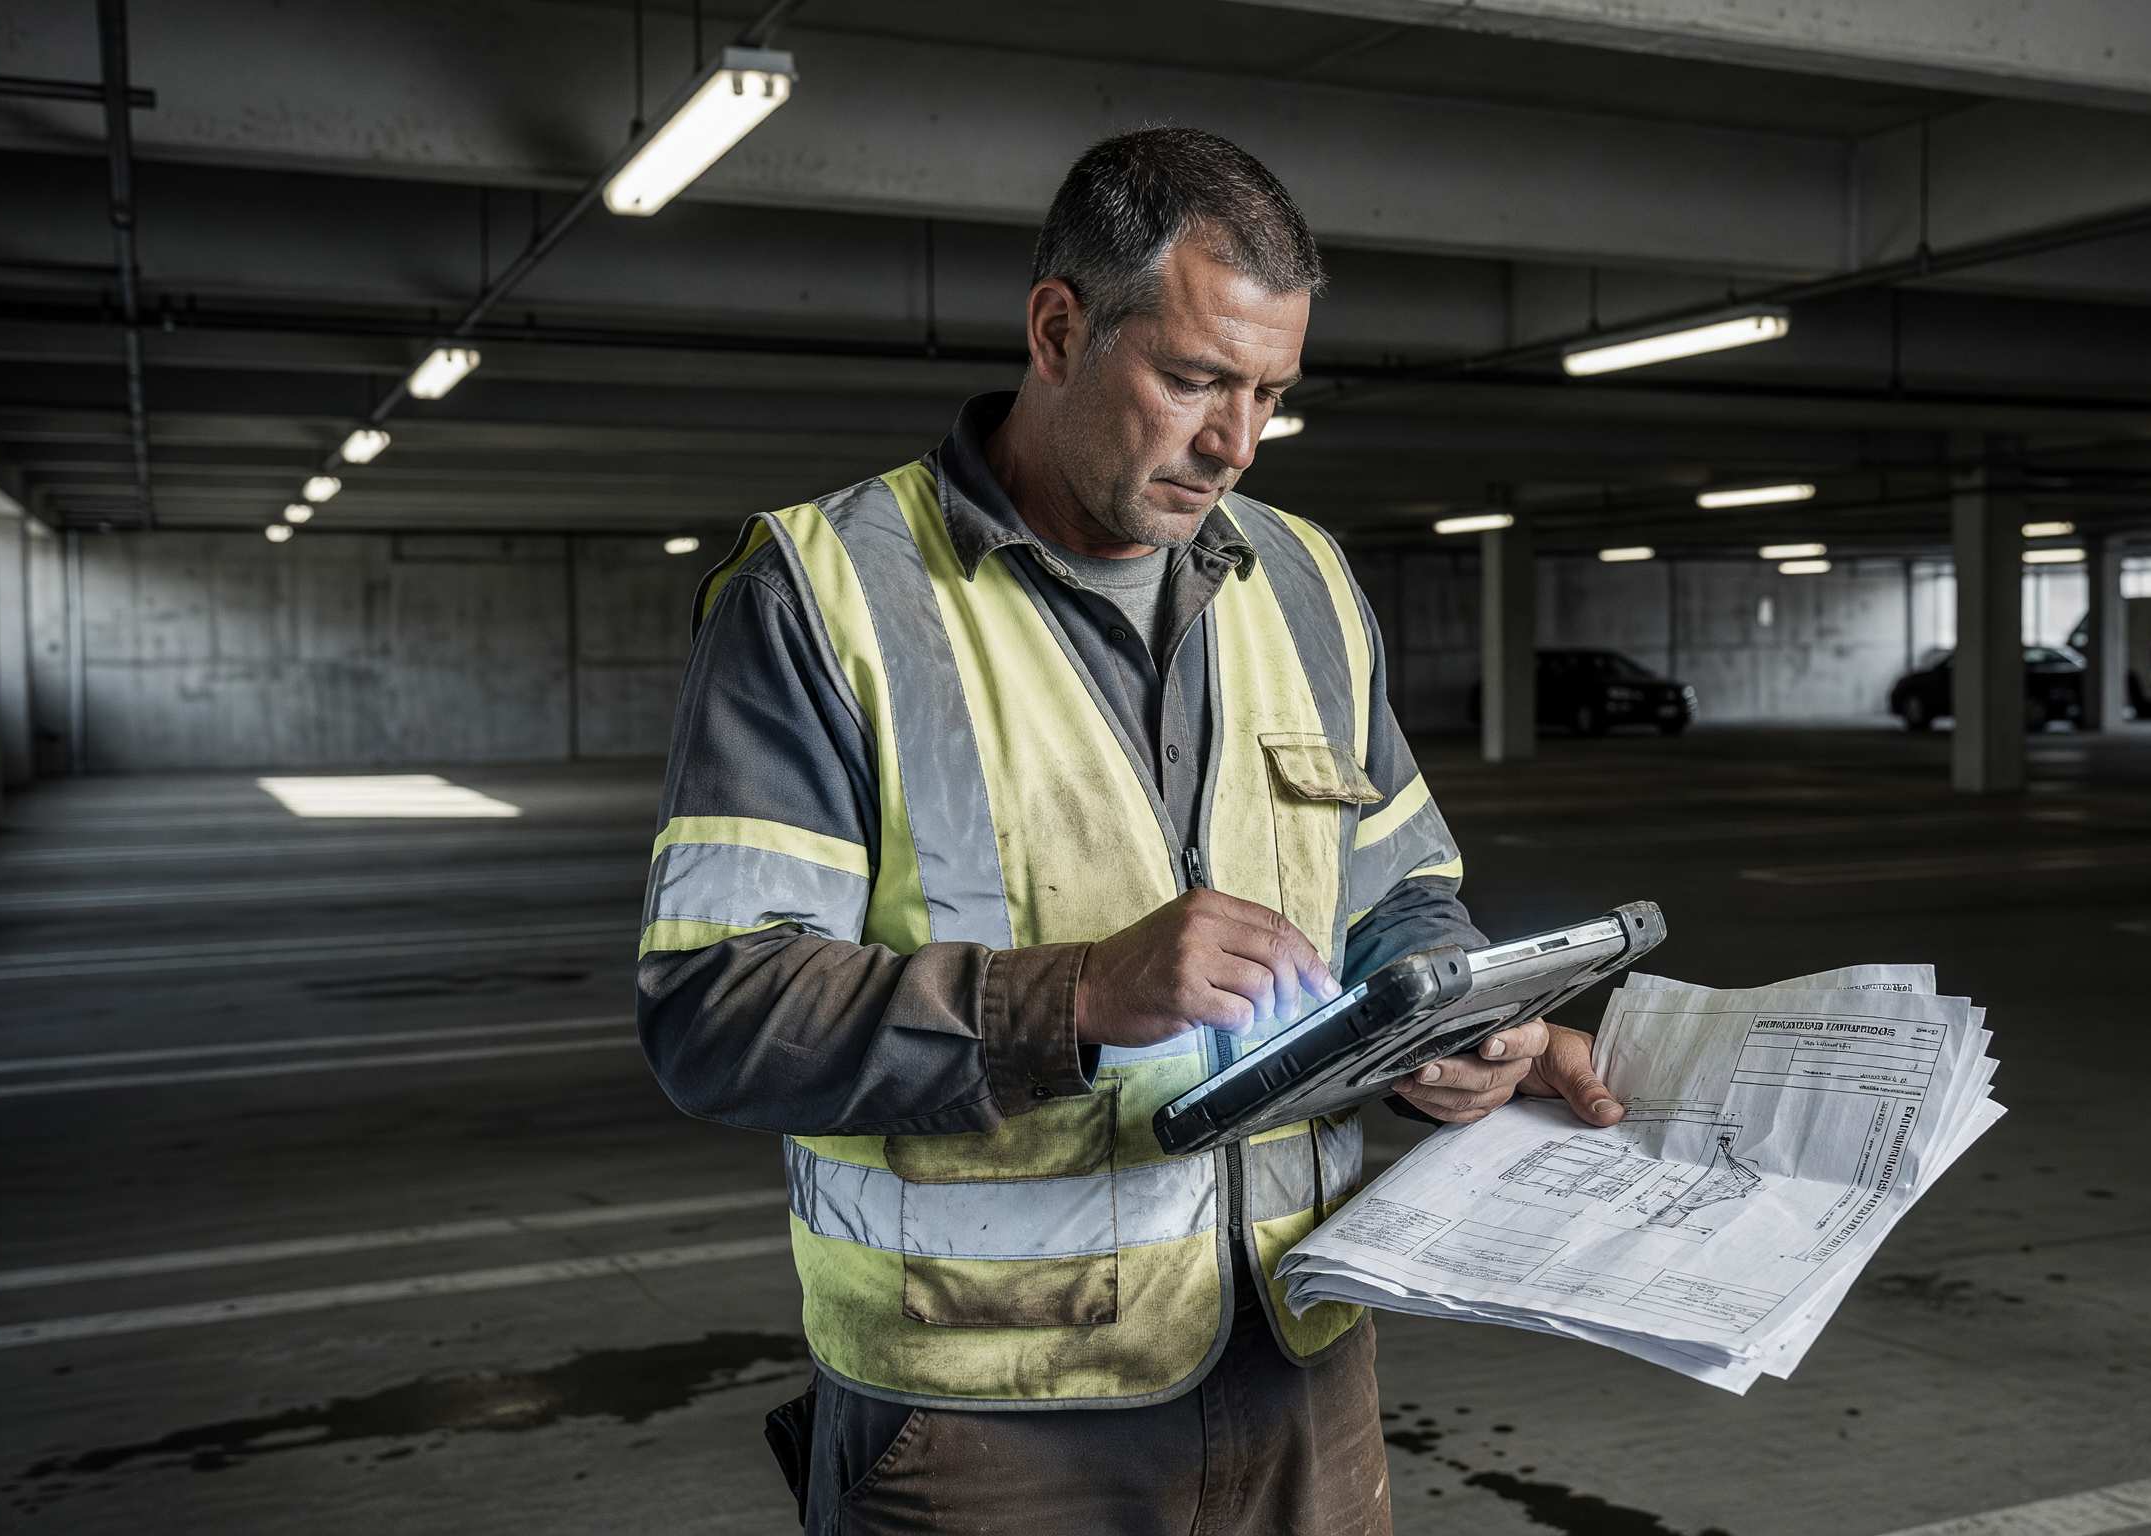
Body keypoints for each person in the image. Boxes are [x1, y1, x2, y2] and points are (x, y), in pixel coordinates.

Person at [636, 128, 1623, 1535]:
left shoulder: (1304, 579)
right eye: (1195, 379)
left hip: (1302, 1369)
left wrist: (1448, 1023)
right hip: (986, 1426)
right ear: (1058, 327)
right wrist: (1079, 995)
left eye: (1271, 393)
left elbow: (1403, 890)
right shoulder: (826, 595)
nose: (1235, 443)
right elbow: (713, 1009)